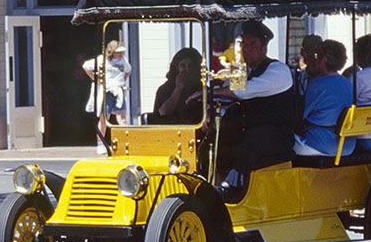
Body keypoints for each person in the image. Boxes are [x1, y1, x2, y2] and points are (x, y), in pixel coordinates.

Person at [212, 20, 296, 198]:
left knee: (253, 138)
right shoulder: (241, 70)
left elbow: (240, 92)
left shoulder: (278, 70)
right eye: (244, 44)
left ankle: (233, 185)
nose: (246, 49)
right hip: (249, 129)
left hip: (277, 133)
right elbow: (227, 99)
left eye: (253, 44)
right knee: (217, 134)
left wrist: (212, 91)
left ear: (264, 48)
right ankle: (210, 179)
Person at [294, 39, 355, 157]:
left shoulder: (317, 84)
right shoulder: (348, 83)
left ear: (324, 60)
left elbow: (303, 115)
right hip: (347, 146)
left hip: (321, 144)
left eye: (318, 56)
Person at [83, 40, 133, 150]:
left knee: (122, 119)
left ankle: (127, 142)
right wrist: (96, 79)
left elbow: (129, 70)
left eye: (121, 52)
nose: (120, 54)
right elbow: (86, 66)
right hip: (107, 92)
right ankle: (101, 144)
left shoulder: (123, 60)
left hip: (118, 91)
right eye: (117, 52)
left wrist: (123, 80)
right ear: (111, 51)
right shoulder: (102, 59)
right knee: (104, 118)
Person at [149, 48, 203, 125]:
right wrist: (179, 88)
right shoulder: (165, 89)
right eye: (183, 66)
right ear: (176, 67)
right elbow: (164, 112)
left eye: (190, 66)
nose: (187, 70)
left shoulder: (201, 88)